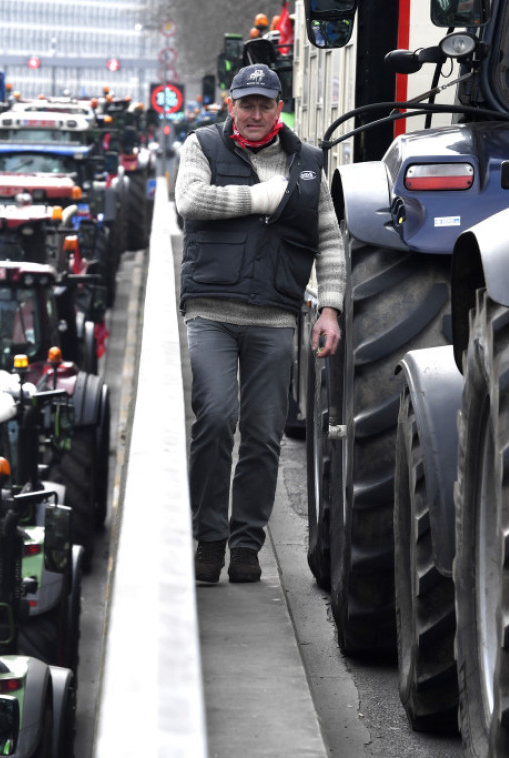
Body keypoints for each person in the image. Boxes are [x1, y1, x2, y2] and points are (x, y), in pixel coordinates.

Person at [175, 63, 344, 584]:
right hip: (212, 312)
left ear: (278, 108)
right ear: (230, 106)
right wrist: (263, 197)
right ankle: (208, 540)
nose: (253, 113)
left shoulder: (309, 163)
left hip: (275, 317)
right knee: (217, 419)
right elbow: (190, 200)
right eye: (244, 104)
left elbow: (330, 238)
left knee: (265, 435)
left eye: (263, 104)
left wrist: (331, 307)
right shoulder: (201, 146)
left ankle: (246, 545)